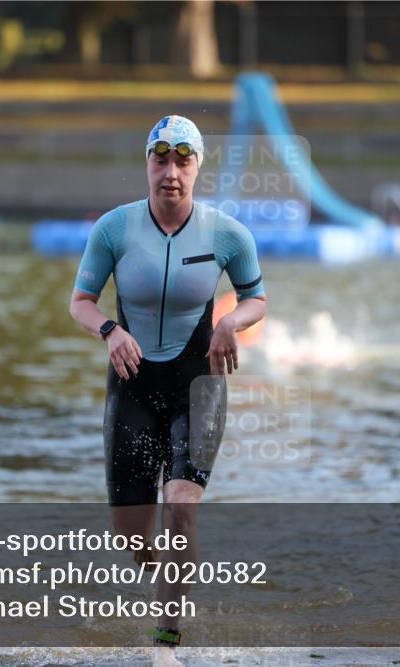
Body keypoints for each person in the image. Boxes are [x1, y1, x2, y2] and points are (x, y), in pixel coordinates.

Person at [69, 115, 268, 667]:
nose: (171, 172)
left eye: (183, 161)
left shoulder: (227, 234)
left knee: (181, 507)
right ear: (148, 164)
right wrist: (109, 330)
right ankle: (177, 578)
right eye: (161, 159)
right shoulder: (114, 229)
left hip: (197, 383)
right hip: (132, 385)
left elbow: (257, 299)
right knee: (134, 540)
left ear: (197, 167)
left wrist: (231, 322)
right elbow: (80, 301)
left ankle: (166, 642)